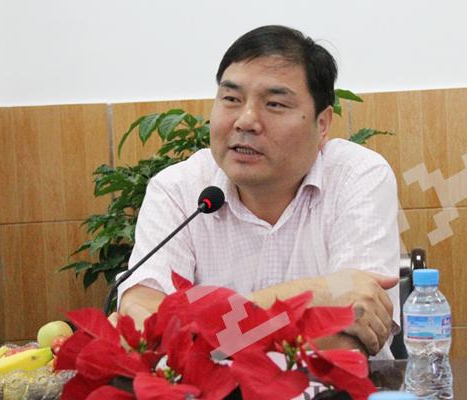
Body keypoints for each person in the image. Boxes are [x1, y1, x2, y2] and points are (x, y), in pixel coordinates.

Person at [116, 25, 400, 359]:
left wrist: (199, 334)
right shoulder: (178, 190)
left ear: (322, 124)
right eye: (231, 99)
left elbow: (349, 336)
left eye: (275, 104)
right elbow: (141, 331)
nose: (246, 121)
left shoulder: (356, 176)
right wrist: (314, 292)